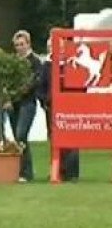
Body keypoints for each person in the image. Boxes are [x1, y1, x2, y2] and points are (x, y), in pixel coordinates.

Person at [39, 38, 79, 181]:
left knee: (72, 140)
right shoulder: (46, 65)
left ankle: (72, 173)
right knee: (55, 140)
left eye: (54, 45)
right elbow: (41, 87)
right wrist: (45, 101)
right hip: (52, 108)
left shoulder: (72, 63)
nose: (52, 48)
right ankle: (58, 171)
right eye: (49, 46)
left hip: (71, 108)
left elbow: (80, 86)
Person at [11, 30, 42, 182]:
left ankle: (26, 172)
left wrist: (20, 90)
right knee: (19, 139)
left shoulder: (35, 61)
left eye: (22, 44)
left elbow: (35, 81)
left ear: (28, 44)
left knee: (21, 134)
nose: (19, 47)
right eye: (16, 45)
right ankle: (23, 171)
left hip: (27, 102)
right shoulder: (13, 61)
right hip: (13, 103)